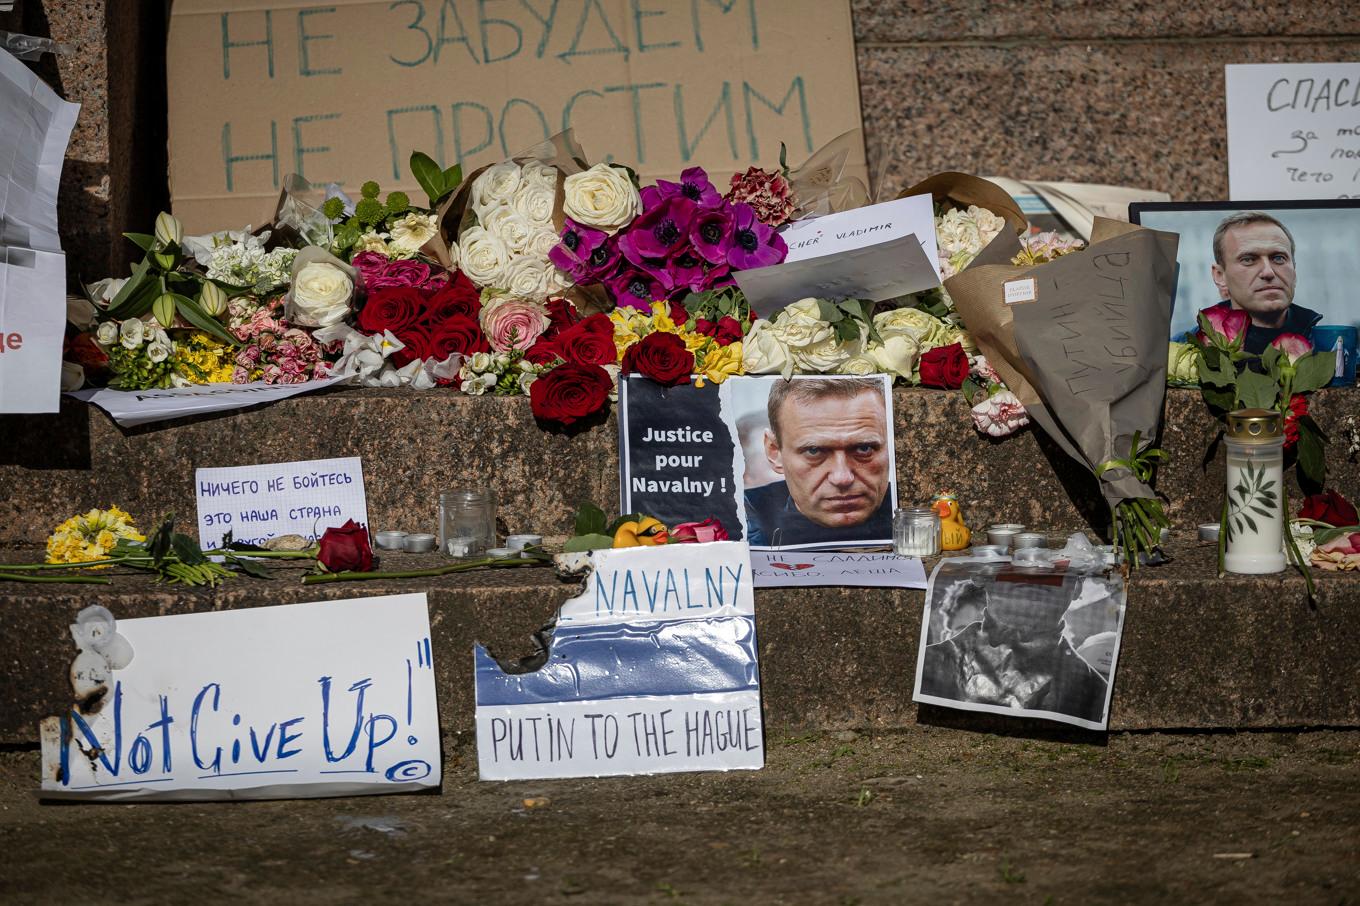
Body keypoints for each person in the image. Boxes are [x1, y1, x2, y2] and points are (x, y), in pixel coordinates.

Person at [919, 573, 1109, 725]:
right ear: (982, 576)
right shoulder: (927, 669)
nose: (1034, 573)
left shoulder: (1096, 695)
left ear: (1077, 586)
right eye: (1019, 563)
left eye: (1053, 568)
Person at [744, 377, 893, 546]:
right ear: (774, 451)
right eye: (813, 451)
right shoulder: (741, 517)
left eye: (864, 449)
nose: (842, 478)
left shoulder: (916, 507)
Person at [1203, 211, 1321, 354]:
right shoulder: (1188, 352)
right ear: (1220, 276)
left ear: (1294, 271)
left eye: (1278, 258)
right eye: (1248, 259)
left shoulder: (1330, 346)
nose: (1268, 272)